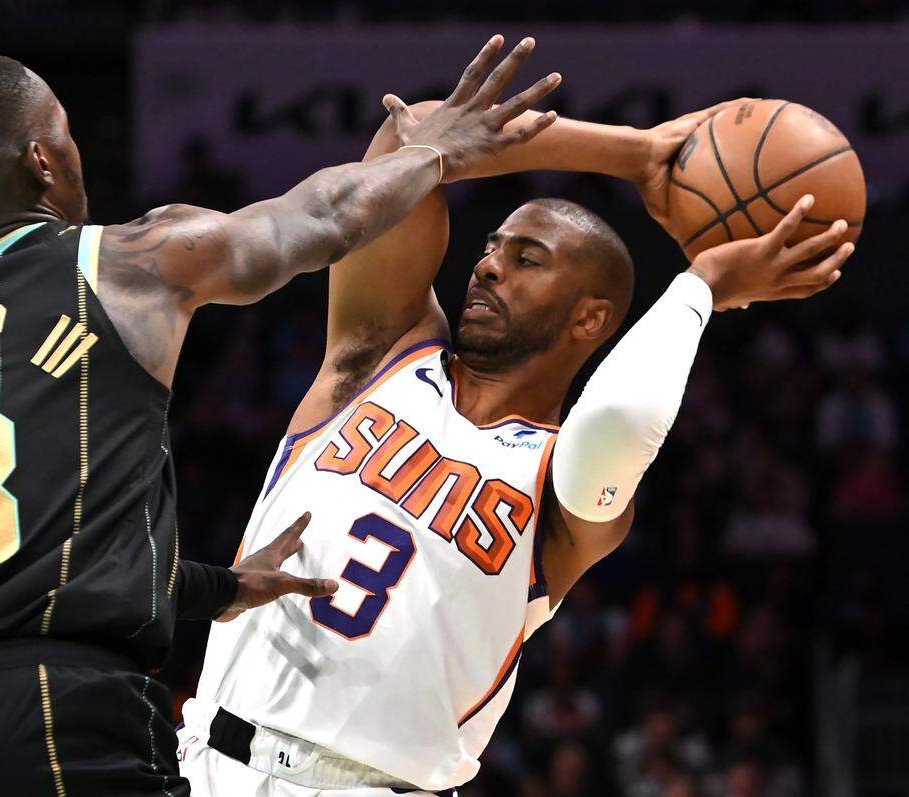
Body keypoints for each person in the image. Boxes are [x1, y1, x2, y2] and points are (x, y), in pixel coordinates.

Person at [0, 38, 562, 796]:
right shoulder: (120, 263)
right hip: (57, 716)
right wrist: (433, 155)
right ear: (44, 161)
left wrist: (218, 588)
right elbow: (313, 219)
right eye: (69, 134)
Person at [180, 95, 855, 795]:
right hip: (199, 761)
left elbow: (622, 417)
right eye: (491, 249)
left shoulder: (562, 483)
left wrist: (702, 287)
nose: (489, 266)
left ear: (590, 316)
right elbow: (407, 137)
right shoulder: (378, 353)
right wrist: (637, 153)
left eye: (527, 258)